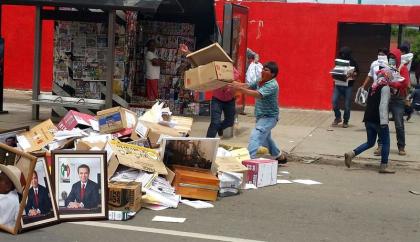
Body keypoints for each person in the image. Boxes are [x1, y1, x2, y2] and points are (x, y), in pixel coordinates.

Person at [228, 61, 287, 164]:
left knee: (256, 135)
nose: (263, 71)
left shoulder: (272, 85)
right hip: (261, 117)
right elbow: (247, 85)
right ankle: (279, 156)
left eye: (266, 70)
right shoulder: (260, 80)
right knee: (265, 139)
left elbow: (258, 94)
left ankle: (249, 159)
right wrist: (230, 82)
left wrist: (239, 89)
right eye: (263, 69)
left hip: (269, 117)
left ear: (272, 74)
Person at [179, 43, 237, 138]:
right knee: (214, 123)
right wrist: (187, 52)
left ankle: (220, 127)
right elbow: (199, 62)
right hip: (217, 100)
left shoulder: (232, 70)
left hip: (230, 101)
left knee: (230, 122)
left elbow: (236, 84)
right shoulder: (213, 68)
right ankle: (208, 142)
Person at [344, 67, 395, 173]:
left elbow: (367, 102)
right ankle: (383, 166)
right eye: (390, 74)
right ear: (387, 76)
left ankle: (351, 153)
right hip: (379, 120)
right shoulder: (385, 88)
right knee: (386, 143)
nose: (392, 76)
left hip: (368, 119)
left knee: (370, 142)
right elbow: (383, 105)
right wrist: (384, 122)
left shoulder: (373, 87)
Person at [375, 48, 410, 156]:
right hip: (386, 96)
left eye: (393, 58)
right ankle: (380, 146)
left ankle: (401, 146)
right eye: (390, 57)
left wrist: (392, 83)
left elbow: (405, 83)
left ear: (398, 58)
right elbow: (379, 78)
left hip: (398, 99)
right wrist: (381, 75)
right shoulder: (385, 67)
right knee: (382, 122)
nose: (391, 59)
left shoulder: (402, 68)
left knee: (399, 124)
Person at [332, 46, 359, 128]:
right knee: (334, 102)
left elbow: (357, 72)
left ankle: (346, 121)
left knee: (347, 105)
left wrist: (353, 74)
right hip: (338, 84)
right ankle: (338, 117)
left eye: (345, 54)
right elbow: (336, 70)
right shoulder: (339, 60)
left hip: (348, 86)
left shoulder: (353, 61)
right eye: (342, 53)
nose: (343, 55)